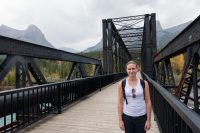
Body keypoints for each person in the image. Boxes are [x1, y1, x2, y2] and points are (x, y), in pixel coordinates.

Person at [118, 60, 152, 133]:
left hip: (142, 116)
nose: (131, 71)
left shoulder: (144, 83)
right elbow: (120, 103)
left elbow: (148, 101)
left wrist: (148, 120)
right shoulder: (122, 84)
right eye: (129, 69)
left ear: (137, 69)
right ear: (126, 70)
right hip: (127, 117)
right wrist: (120, 120)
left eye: (133, 68)